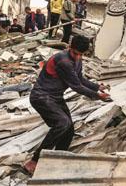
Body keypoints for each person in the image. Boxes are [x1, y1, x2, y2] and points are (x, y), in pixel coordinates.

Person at [23, 35, 110, 174]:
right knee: (62, 123)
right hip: (41, 96)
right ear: (69, 47)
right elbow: (76, 86)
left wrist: (96, 87)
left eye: (81, 54)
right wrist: (97, 96)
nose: (77, 57)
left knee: (69, 130)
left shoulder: (77, 60)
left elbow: (80, 79)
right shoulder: (63, 61)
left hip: (55, 97)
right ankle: (34, 161)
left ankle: (57, 159)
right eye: (75, 53)